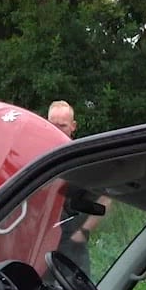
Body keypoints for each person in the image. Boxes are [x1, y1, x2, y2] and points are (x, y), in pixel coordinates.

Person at [47, 100, 105, 270]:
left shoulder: (81, 160)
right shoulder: (37, 157)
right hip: (40, 243)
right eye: (52, 124)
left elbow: (106, 197)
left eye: (62, 126)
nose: (56, 130)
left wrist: (84, 231)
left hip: (71, 246)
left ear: (73, 126)